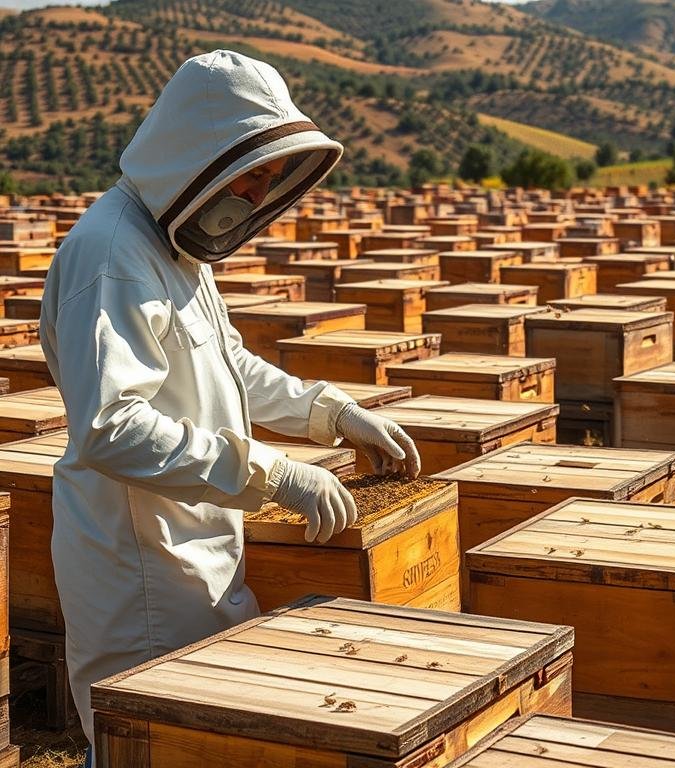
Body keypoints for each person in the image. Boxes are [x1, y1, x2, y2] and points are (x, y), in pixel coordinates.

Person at [38, 49, 420, 762]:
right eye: (252, 174)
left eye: (268, 182)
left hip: (198, 547)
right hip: (141, 572)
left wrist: (329, 412)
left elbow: (227, 364)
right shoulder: (111, 253)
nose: (254, 194)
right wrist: (274, 474)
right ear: (200, 152)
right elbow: (109, 428)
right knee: (145, 747)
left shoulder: (172, 250)